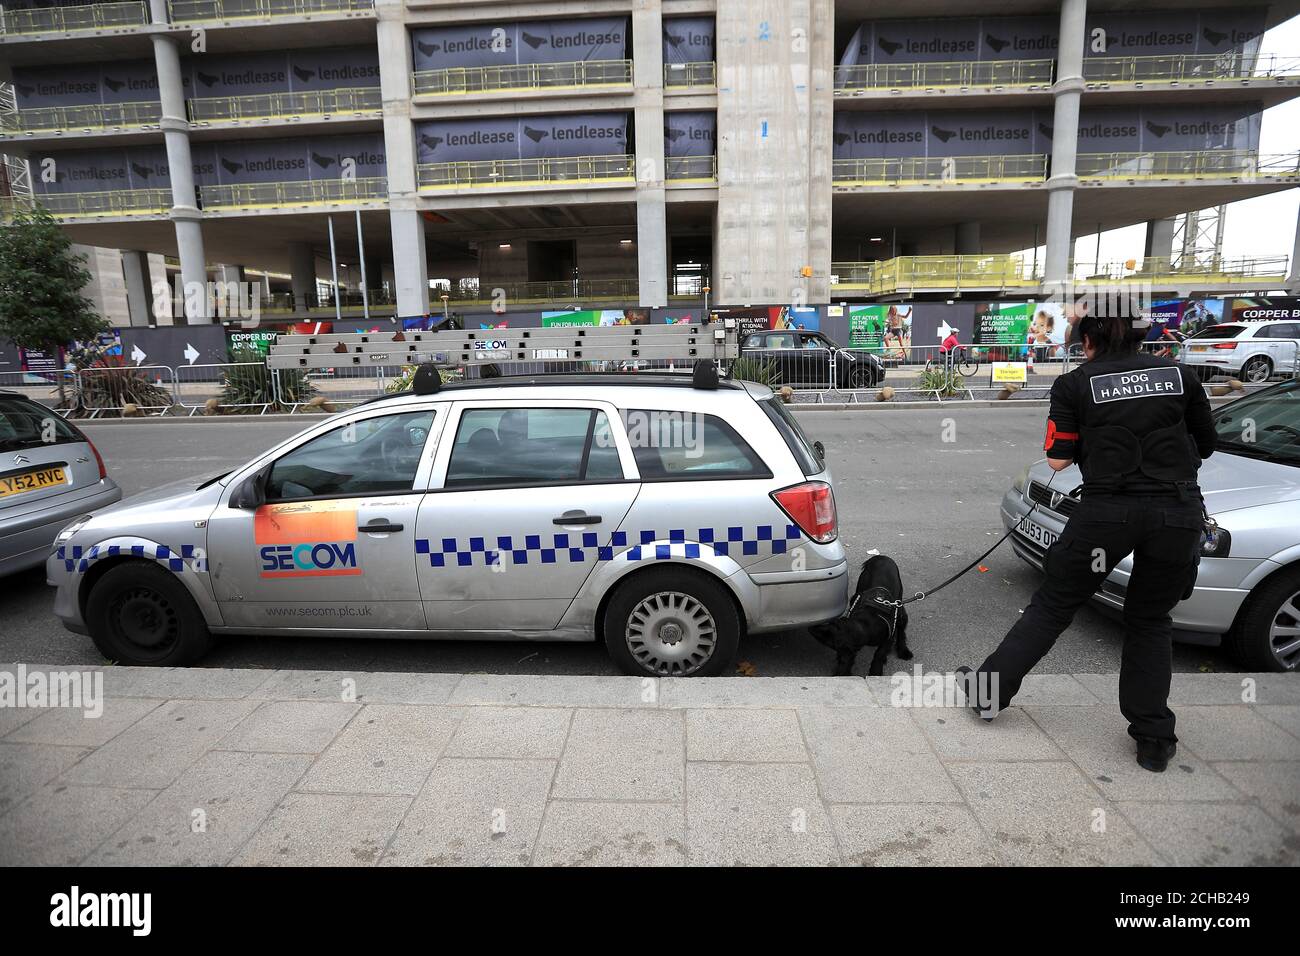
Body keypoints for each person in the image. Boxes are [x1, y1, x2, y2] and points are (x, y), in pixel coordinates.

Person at [957, 312, 1216, 773]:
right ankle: (1153, 738)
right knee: (1151, 619)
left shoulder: (1077, 382)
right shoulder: (1180, 374)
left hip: (1106, 514)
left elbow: (1056, 460)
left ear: (1090, 337)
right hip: (1175, 513)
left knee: (1054, 605)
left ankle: (986, 696)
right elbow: (1207, 444)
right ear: (1141, 333)